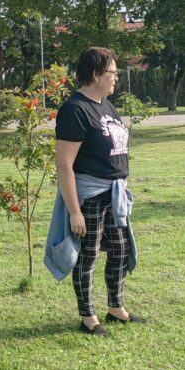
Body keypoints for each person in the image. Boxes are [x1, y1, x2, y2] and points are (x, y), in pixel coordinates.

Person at [44, 46, 142, 336]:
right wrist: (74, 211)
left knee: (121, 250)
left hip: (114, 194)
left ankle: (116, 307)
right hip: (90, 196)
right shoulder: (75, 110)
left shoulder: (106, 105)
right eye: (112, 73)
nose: (116, 78)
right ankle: (88, 317)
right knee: (88, 256)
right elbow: (64, 164)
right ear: (96, 74)